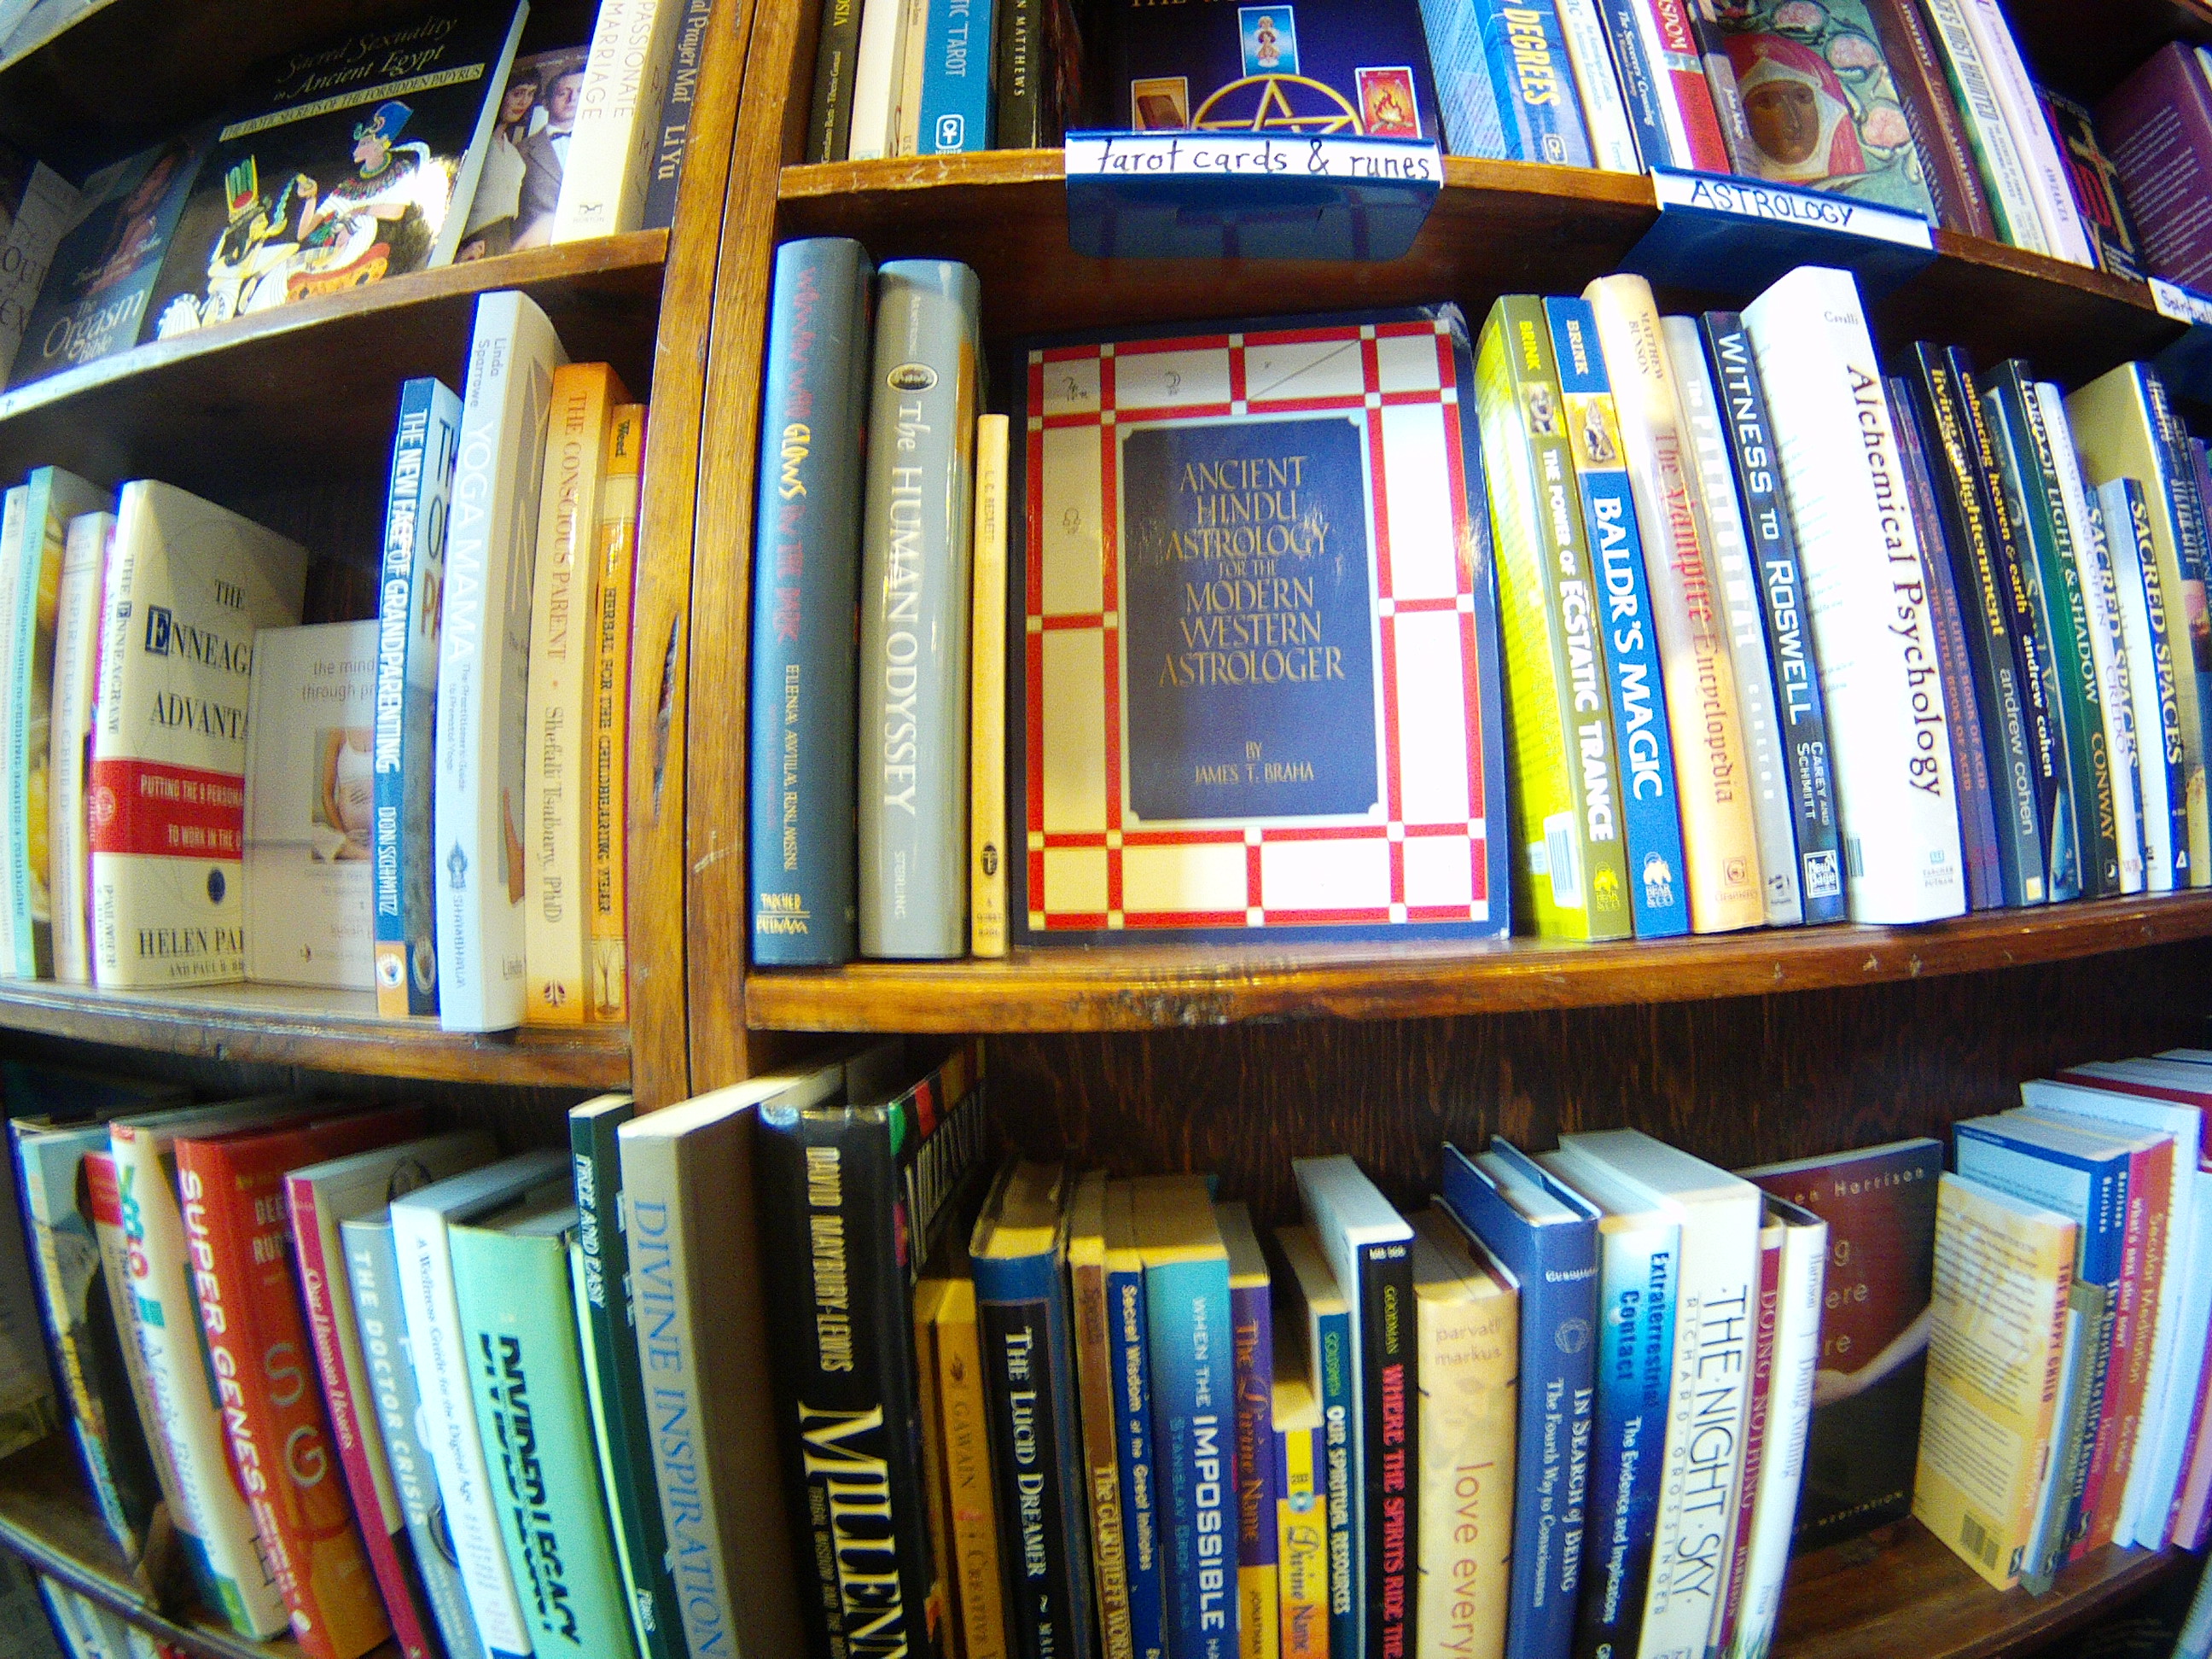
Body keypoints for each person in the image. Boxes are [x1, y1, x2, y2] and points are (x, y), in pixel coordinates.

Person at [458, 66, 540, 259]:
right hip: (476, 239)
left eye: (530, 94)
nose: (524, 101)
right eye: (517, 93)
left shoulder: (512, 152)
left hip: (505, 239)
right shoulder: (478, 143)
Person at [512, 66, 581, 249]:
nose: (572, 99)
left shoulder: (601, 141)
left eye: (580, 92)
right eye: (563, 93)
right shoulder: (521, 151)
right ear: (546, 102)